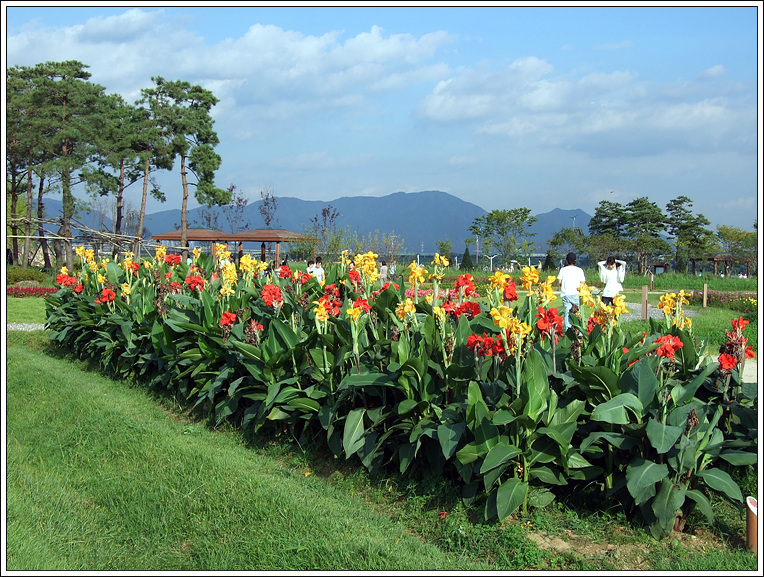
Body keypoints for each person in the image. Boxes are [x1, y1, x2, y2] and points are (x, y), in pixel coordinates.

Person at [557, 252, 587, 331]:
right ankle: (580, 332)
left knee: (567, 313)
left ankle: (568, 331)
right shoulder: (579, 270)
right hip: (576, 294)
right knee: (578, 313)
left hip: (566, 294)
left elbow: (559, 282)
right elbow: (583, 282)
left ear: (566, 261)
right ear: (575, 261)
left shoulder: (563, 270)